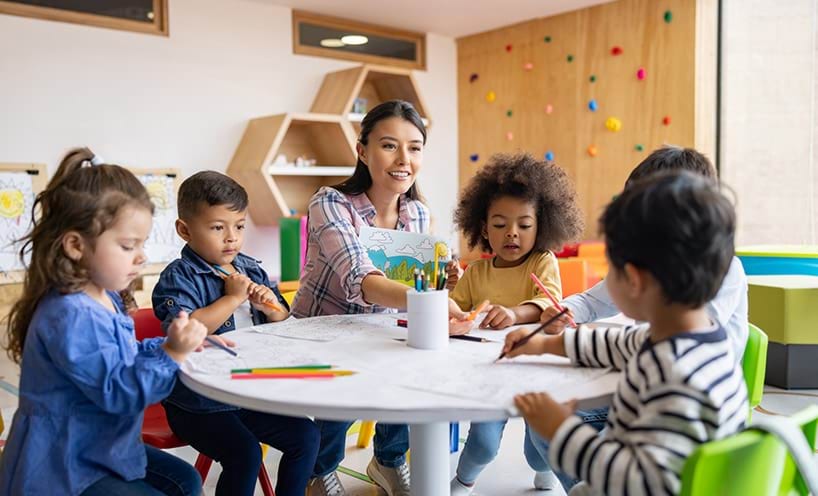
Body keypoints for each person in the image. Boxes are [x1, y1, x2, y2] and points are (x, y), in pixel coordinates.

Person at [507, 171, 749, 495]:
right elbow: (619, 343)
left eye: (610, 268)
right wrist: (544, 344)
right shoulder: (696, 339)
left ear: (633, 279)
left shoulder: (673, 375)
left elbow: (639, 481)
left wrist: (562, 431)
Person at [0, 147, 207, 496]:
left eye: (142, 244)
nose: (142, 256)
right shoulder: (71, 313)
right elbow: (120, 393)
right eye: (128, 246)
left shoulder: (103, 296)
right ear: (76, 246)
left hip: (97, 445)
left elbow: (121, 356)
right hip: (63, 465)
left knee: (186, 481)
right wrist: (172, 353)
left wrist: (170, 341)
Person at [295, 100, 465, 496]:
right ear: (362, 151)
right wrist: (431, 300)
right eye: (389, 145)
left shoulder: (418, 213)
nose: (404, 158)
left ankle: (388, 460)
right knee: (346, 380)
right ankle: (318, 470)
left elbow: (416, 285)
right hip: (322, 332)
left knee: (412, 363)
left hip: (380, 328)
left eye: (415, 147)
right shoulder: (330, 202)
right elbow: (363, 278)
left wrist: (443, 280)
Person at [152, 171, 319, 496]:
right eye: (218, 227)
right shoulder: (178, 278)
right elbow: (187, 331)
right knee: (245, 453)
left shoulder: (251, 269)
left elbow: (285, 322)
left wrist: (272, 309)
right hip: (198, 403)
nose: (231, 237)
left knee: (307, 436)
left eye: (239, 226)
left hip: (249, 392)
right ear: (185, 230)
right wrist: (232, 298)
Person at [448, 153, 583, 494]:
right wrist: (447, 295)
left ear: (541, 227)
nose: (511, 234)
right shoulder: (476, 272)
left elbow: (547, 304)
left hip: (535, 370)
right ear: (483, 228)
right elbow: (457, 312)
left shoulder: (543, 261)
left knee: (538, 452)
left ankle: (545, 476)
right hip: (489, 371)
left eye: (524, 225)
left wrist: (513, 313)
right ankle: (462, 483)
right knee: (483, 444)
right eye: (499, 224)